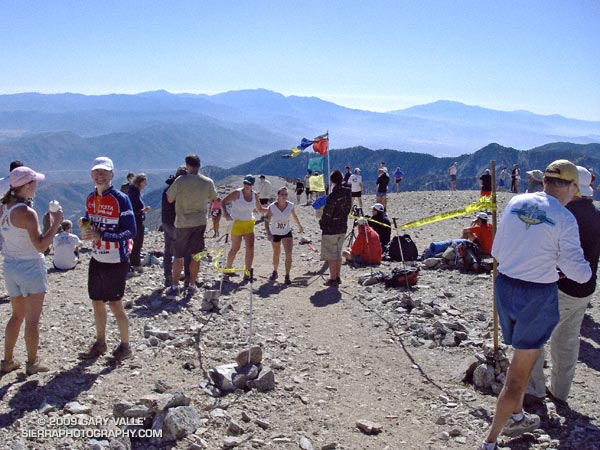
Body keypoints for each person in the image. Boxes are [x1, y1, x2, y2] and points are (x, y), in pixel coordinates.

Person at [480, 159, 591, 450]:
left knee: (523, 356)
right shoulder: (565, 218)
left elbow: (497, 250)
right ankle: (491, 440)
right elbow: (578, 272)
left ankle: (516, 414)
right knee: (518, 376)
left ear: (544, 182)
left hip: (505, 287)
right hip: (537, 295)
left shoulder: (517, 202)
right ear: (569, 186)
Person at [528, 166, 600, 404]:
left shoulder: (568, 215)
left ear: (572, 187)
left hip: (563, 287)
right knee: (567, 339)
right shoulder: (593, 212)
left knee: (533, 334)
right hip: (585, 288)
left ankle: (534, 388)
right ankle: (559, 392)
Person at [0, 166, 62, 375]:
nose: (36, 187)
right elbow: (41, 246)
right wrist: (55, 224)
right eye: (34, 183)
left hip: (10, 266)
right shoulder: (27, 213)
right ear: (25, 186)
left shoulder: (3, 208)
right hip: (31, 267)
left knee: (16, 316)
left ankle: (7, 360)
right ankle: (32, 363)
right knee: (32, 319)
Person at [78, 156, 136, 362]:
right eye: (96, 172)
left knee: (115, 303)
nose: (100, 175)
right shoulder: (90, 198)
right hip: (97, 257)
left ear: (112, 174)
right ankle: (100, 343)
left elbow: (131, 231)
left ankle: (125, 345)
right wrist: (85, 227)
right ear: (91, 175)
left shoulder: (121, 199)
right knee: (96, 301)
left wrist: (102, 236)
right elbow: (90, 222)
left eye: (104, 172)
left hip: (116, 259)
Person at [166, 154, 217, 297]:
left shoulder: (180, 181)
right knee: (196, 255)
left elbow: (170, 199)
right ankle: (192, 285)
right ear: (199, 165)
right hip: (200, 222)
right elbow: (214, 198)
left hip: (182, 222)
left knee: (178, 256)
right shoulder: (208, 182)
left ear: (187, 165)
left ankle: (175, 285)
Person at [223, 175, 267, 281]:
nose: (247, 185)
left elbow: (260, 209)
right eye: (245, 183)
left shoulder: (255, 195)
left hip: (248, 223)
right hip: (236, 223)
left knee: (250, 247)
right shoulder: (237, 193)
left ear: (252, 185)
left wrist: (271, 209)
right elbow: (223, 201)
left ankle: (247, 271)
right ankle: (228, 268)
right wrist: (225, 213)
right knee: (235, 248)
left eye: (249, 184)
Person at [265, 187, 304, 284]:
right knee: (276, 253)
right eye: (282, 194)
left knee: (289, 253)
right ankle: (275, 271)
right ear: (278, 195)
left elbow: (294, 216)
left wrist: (299, 226)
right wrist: (268, 232)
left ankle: (287, 275)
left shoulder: (290, 206)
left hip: (286, 231)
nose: (284, 196)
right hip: (275, 232)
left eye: (286, 194)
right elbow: (266, 220)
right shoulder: (272, 207)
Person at [319, 170, 352, 286]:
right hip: (342, 226)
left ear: (332, 181)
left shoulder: (333, 195)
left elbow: (328, 212)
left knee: (331, 254)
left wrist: (322, 223)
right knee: (338, 253)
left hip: (331, 228)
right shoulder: (348, 193)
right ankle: (337, 276)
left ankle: (333, 278)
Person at [161, 166, 190, 288]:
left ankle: (168, 276)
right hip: (179, 224)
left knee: (168, 250)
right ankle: (187, 278)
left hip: (167, 222)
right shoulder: (182, 191)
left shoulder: (168, 189)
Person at [127, 173, 150, 273]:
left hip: (137, 221)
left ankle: (134, 263)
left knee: (137, 243)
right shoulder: (134, 194)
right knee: (136, 243)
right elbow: (132, 209)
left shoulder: (135, 192)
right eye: (144, 182)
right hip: (136, 222)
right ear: (140, 182)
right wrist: (143, 210)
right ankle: (134, 264)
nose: (146, 184)